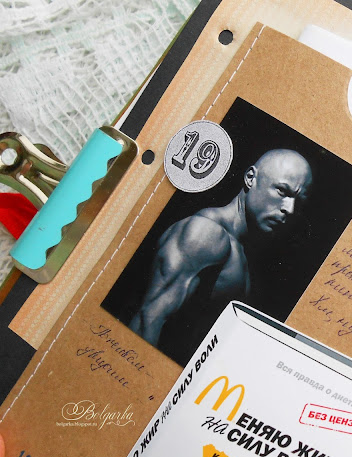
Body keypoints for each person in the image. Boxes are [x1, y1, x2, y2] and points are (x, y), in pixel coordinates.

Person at [129, 149, 313, 362]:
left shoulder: (245, 252)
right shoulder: (206, 233)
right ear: (250, 178)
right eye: (282, 191)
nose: (289, 209)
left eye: (299, 202)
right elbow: (147, 321)